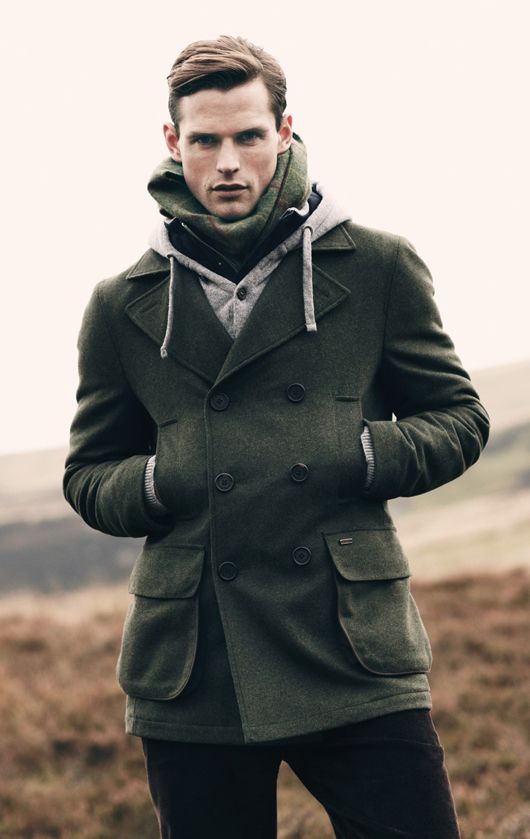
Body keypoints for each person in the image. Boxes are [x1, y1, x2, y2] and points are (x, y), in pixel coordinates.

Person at [63, 35, 489, 839]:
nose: (228, 162)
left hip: (352, 644)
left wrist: (359, 453)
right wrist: (159, 479)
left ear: (284, 131)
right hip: (196, 660)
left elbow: (460, 419)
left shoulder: (377, 265)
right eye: (205, 140)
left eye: (249, 136)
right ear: (172, 142)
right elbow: (88, 474)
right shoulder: (121, 303)